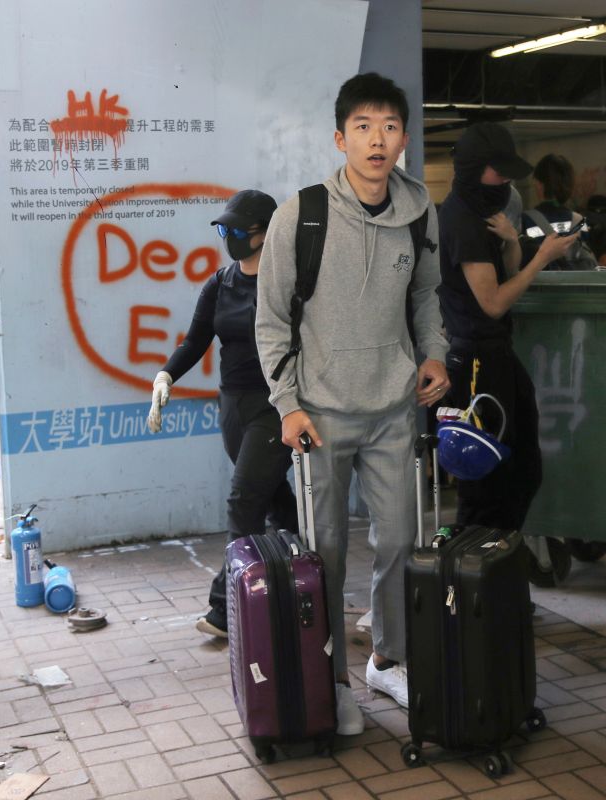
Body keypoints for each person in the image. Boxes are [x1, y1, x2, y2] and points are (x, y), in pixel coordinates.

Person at [255, 72, 449, 736]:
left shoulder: (421, 212)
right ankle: (329, 673)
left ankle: (388, 659)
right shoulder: (300, 215)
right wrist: (287, 404)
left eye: (390, 127)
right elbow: (272, 319)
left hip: (395, 405)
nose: (377, 139)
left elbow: (425, 297)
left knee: (401, 539)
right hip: (321, 413)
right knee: (326, 551)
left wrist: (435, 352)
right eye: (363, 127)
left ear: (403, 140)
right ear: (341, 139)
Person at [145, 189, 297, 640]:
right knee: (271, 498)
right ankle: (297, 573)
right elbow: (195, 341)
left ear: (265, 234)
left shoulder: (286, 284)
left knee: (243, 499)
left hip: (276, 404)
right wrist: (165, 376)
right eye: (223, 230)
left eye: (236, 231)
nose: (228, 238)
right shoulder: (221, 283)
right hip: (233, 403)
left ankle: (225, 607)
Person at [436, 122, 580, 587]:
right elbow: (494, 301)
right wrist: (543, 257)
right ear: (478, 171)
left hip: (495, 356)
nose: (507, 184)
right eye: (501, 174)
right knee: (488, 481)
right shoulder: (460, 220)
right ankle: (473, 584)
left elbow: (503, 274)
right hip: (477, 363)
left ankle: (491, 575)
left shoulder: (480, 213)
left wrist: (515, 242)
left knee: (519, 470)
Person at [520, 153, 594, 271]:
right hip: (574, 286)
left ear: (540, 185)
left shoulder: (525, 220)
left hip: (538, 286)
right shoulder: (580, 221)